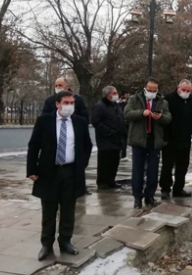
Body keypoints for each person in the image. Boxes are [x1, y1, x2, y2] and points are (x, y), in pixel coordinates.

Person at [27, 91, 92, 261]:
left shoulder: (80, 122)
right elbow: (34, 146)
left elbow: (87, 145)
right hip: (49, 172)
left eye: (72, 103)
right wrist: (32, 170)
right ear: (57, 104)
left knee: (68, 209)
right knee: (49, 210)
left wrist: (81, 165)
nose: (69, 106)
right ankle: (46, 244)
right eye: (66, 102)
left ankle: (65, 241)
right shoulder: (44, 121)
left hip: (71, 172)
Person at [124, 78, 171, 208]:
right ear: (145, 89)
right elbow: (127, 113)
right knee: (138, 170)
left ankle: (149, 196)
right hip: (139, 140)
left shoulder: (162, 102)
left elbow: (168, 118)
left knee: (153, 171)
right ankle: (137, 197)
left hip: (154, 140)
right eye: (149, 90)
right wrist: (141, 113)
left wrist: (160, 117)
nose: (151, 92)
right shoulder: (134, 99)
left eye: (154, 90)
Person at [160, 79, 192, 200]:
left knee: (183, 165)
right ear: (178, 88)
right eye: (183, 90)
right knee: (167, 165)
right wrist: (164, 137)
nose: (185, 92)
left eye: (188, 90)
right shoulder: (169, 99)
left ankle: (179, 188)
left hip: (185, 139)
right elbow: (164, 120)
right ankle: (165, 189)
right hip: (170, 139)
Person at [90, 86, 125, 190]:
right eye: (114, 93)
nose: (116, 94)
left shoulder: (116, 106)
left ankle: (111, 181)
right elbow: (96, 122)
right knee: (104, 162)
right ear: (108, 95)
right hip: (105, 140)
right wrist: (108, 132)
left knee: (114, 162)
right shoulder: (100, 107)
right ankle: (102, 182)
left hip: (116, 140)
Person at [119, 92, 131, 161]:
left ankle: (123, 155)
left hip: (125, 125)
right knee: (122, 141)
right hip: (122, 125)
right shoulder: (120, 104)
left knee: (124, 141)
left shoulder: (127, 104)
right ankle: (122, 155)